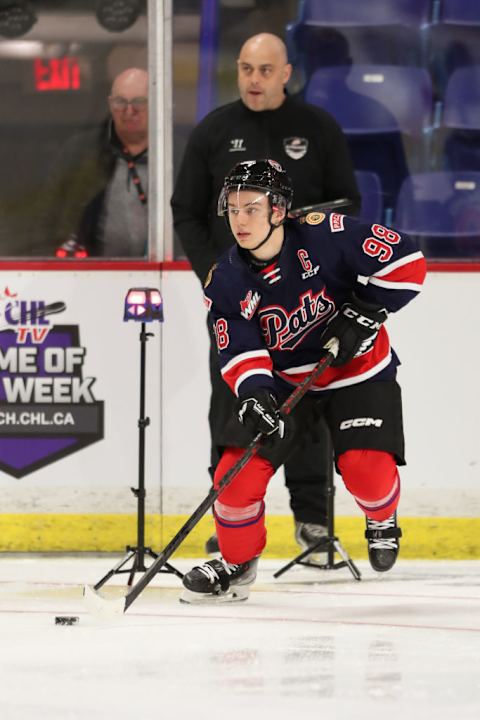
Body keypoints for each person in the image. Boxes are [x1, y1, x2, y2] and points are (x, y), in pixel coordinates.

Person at [180, 159, 426, 603]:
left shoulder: (325, 233)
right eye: (233, 209)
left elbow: (407, 261)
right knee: (234, 478)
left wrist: (364, 312)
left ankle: (382, 519)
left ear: (278, 210)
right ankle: (235, 564)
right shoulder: (227, 279)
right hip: (285, 386)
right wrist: (255, 395)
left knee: (365, 468)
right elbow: (237, 349)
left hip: (357, 372)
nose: (240, 220)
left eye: (251, 208)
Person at [171, 33, 361, 558]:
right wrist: (217, 273)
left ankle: (313, 521)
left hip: (305, 302)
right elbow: (185, 209)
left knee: (309, 404)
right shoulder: (215, 130)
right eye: (245, 68)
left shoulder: (317, 129)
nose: (253, 79)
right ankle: (229, 517)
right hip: (239, 304)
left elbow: (347, 204)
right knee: (233, 406)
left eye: (264, 69)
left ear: (285, 73)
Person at [46, 67, 149, 257]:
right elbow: (51, 218)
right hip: (90, 275)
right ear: (110, 104)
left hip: (169, 277)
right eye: (121, 102)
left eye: (139, 102)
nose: (129, 110)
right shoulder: (80, 152)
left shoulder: (178, 156)